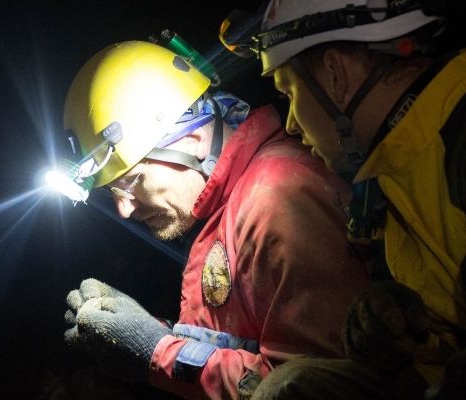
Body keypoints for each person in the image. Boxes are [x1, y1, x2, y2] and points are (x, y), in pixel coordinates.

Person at [60, 39, 370, 399]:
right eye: (111, 192)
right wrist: (144, 332)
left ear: (190, 139)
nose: (124, 210)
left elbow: (315, 387)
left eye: (130, 182)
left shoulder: (277, 197)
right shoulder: (231, 206)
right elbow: (244, 347)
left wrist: (157, 352)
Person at [218, 0, 466, 398]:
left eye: (289, 93)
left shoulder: (457, 143)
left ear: (335, 74)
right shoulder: (392, 165)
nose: (292, 124)